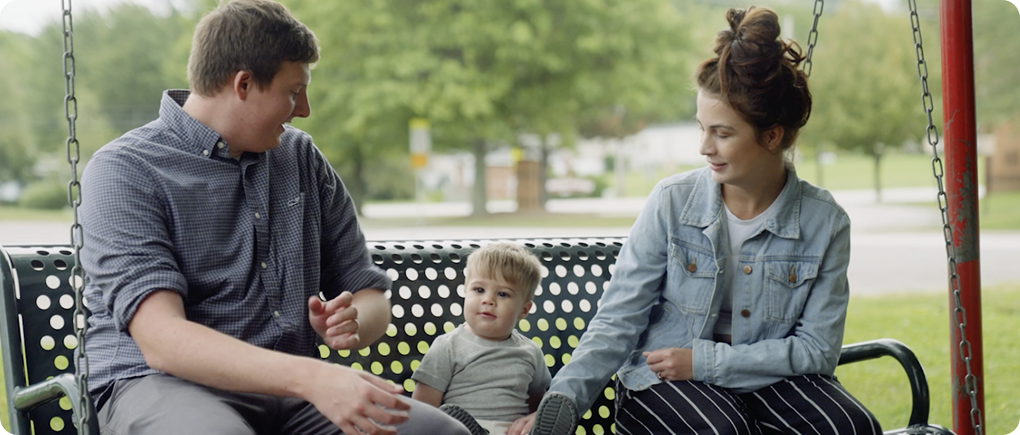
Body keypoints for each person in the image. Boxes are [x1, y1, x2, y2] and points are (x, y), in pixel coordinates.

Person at [78, 1, 470, 434]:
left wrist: (353, 321)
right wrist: (315, 378)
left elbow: (369, 294)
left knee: (440, 432)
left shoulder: (299, 157)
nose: (303, 109)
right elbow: (162, 342)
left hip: (291, 395)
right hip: (163, 384)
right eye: (292, 91)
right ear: (243, 84)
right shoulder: (125, 170)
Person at [529, 7, 883, 435]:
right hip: (664, 374)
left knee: (852, 427)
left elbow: (817, 350)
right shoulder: (672, 202)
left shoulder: (824, 222)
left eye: (723, 133)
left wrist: (709, 362)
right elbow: (619, 319)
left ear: (772, 135)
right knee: (721, 430)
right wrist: (563, 401)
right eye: (702, 128)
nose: (704, 147)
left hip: (767, 376)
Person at [410, 243, 551, 435]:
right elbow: (424, 408)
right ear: (465, 292)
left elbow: (535, 403)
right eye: (478, 290)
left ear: (524, 310)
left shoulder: (530, 352)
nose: (488, 300)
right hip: (461, 429)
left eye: (502, 294)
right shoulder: (448, 347)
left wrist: (532, 423)